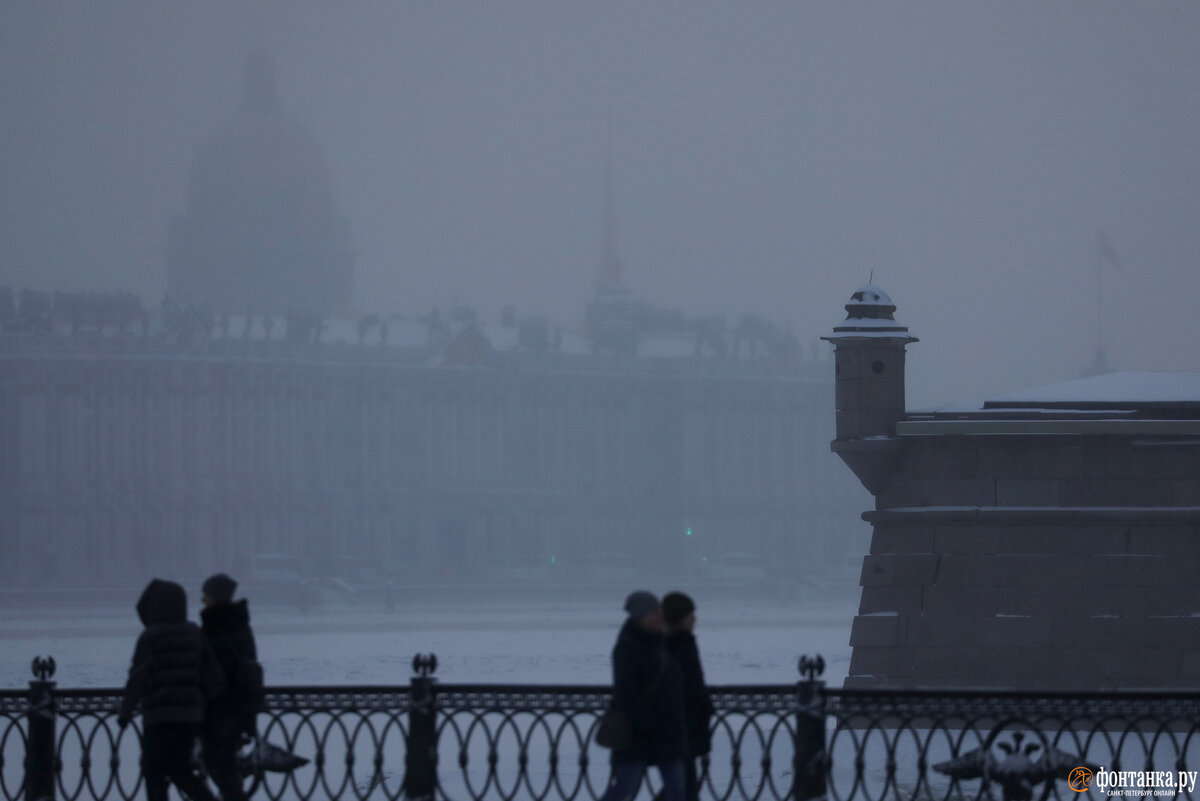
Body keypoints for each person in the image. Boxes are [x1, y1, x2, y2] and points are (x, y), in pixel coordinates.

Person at [118, 578, 224, 801]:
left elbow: (137, 677)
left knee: (153, 770)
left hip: (158, 717)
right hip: (189, 717)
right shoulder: (195, 633)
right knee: (180, 769)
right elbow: (212, 676)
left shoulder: (151, 636)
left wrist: (126, 711)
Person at [598, 591, 687, 801]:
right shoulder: (628, 646)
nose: (659, 616)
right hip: (637, 733)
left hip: (666, 731)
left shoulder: (661, 642)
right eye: (653, 612)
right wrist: (647, 721)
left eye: (659, 611)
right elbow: (626, 691)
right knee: (625, 789)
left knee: (677, 789)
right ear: (640, 616)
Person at [200, 573, 260, 801]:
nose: (202, 599)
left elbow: (214, 665)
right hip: (237, 703)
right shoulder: (238, 622)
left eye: (206, 594)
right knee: (225, 762)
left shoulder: (217, 623)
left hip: (221, 704)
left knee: (216, 760)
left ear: (216, 596)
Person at [658, 592, 714, 801]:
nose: (694, 620)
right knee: (684, 788)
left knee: (682, 787)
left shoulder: (683, 642)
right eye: (691, 615)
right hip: (679, 729)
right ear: (679, 618)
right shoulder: (674, 646)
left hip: (686, 728)